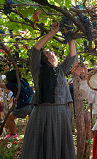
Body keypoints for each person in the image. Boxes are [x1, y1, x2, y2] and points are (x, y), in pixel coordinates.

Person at [20, 22, 77, 159]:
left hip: (62, 112)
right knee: (39, 148)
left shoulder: (61, 70)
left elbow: (72, 55)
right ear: (41, 59)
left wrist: (70, 35)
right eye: (46, 54)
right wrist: (52, 33)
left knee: (61, 146)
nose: (50, 54)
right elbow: (35, 50)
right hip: (42, 113)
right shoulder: (37, 70)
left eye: (51, 53)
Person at [0, 70, 34, 140]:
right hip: (33, 103)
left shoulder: (12, 85)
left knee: (10, 117)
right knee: (32, 120)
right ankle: (33, 134)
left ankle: (13, 135)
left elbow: (1, 85)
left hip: (24, 106)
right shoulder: (24, 80)